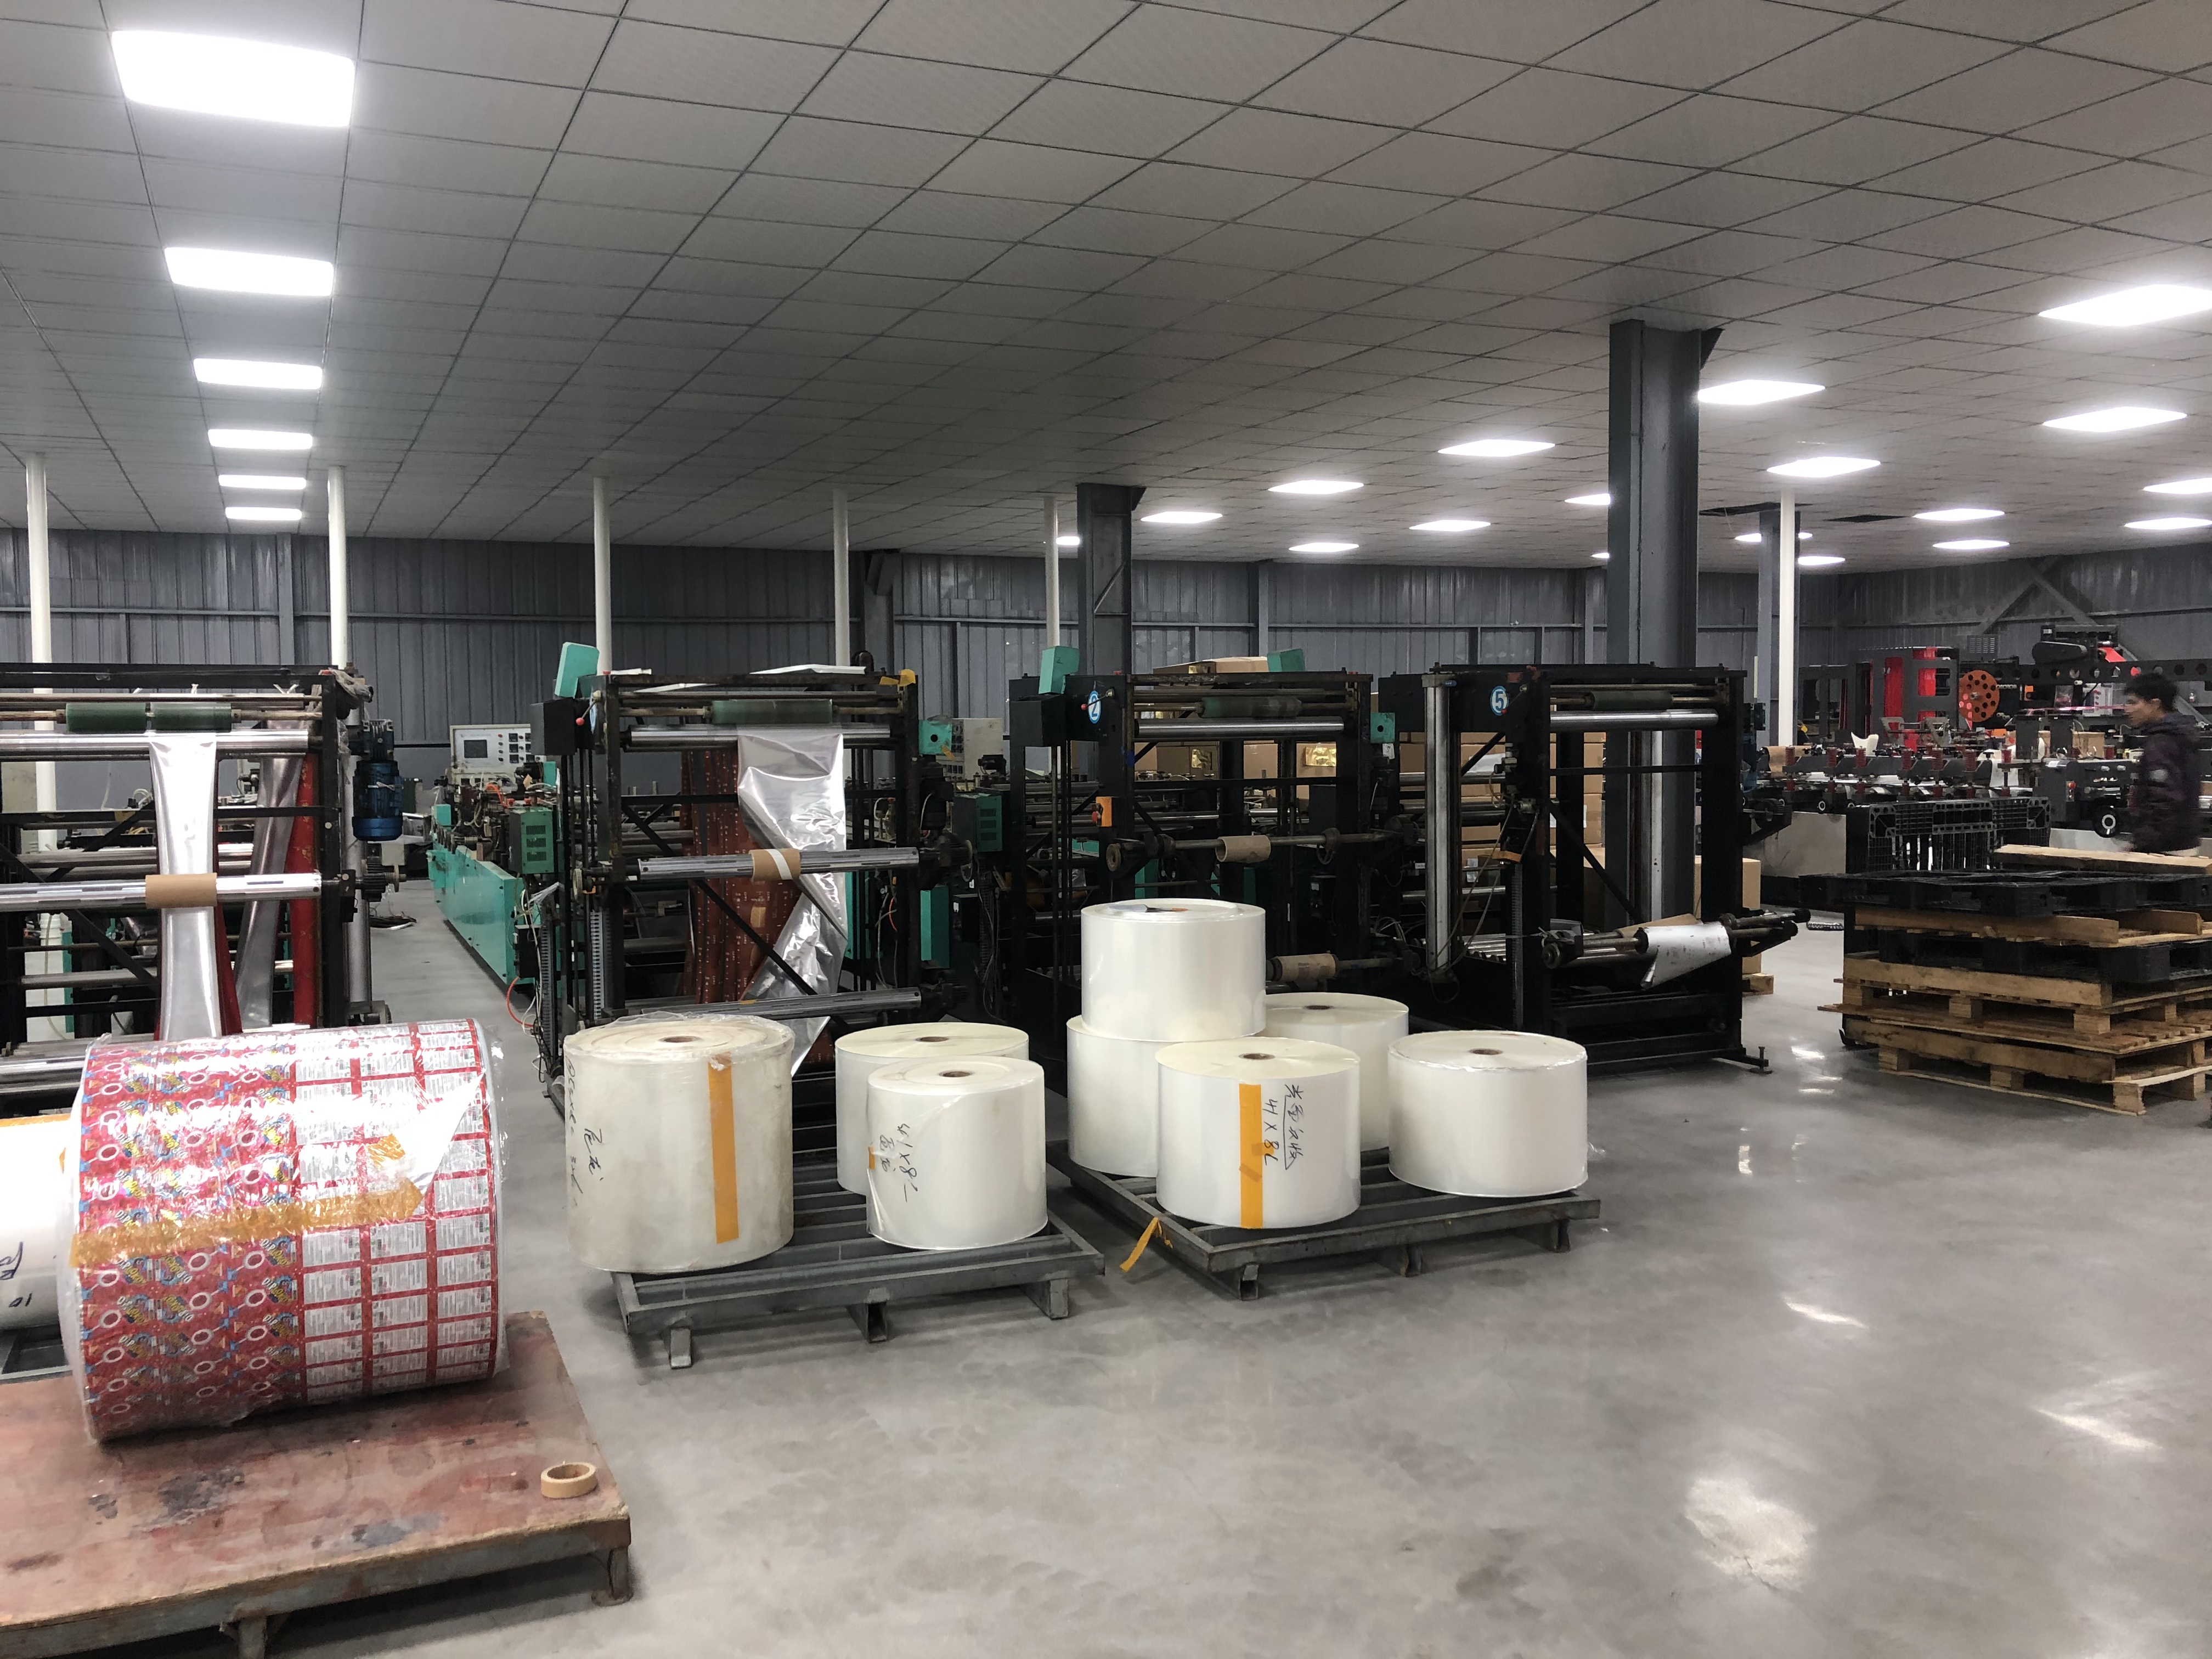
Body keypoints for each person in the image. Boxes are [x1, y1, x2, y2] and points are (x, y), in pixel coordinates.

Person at [2121, 672, 2202, 853]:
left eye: (2133, 703)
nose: (2127, 709)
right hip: (2182, 842)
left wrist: (2143, 843)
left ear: (2155, 704)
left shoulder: (2162, 742)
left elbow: (2165, 799)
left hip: (2166, 849)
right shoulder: (2180, 734)